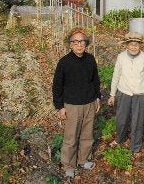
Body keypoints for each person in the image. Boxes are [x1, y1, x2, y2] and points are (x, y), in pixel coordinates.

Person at [52, 26, 101, 180]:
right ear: (70, 44)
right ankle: (68, 165)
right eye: (76, 42)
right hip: (72, 106)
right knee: (71, 138)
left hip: (89, 104)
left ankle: (83, 160)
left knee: (87, 135)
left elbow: (95, 81)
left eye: (82, 41)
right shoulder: (64, 63)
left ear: (86, 43)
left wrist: (97, 98)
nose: (80, 44)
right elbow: (57, 86)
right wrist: (60, 106)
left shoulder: (90, 60)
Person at [107, 32, 144, 156]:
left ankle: (135, 147)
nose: (133, 47)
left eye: (136, 45)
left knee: (137, 121)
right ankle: (120, 139)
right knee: (121, 119)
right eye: (131, 44)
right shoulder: (121, 57)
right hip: (124, 92)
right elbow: (116, 75)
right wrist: (112, 94)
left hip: (140, 94)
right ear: (126, 45)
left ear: (140, 45)